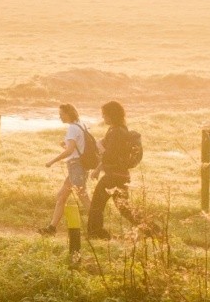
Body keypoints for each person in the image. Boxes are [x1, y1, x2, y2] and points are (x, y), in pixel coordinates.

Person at [88, 100, 138, 238]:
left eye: (104, 115)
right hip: (122, 175)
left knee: (97, 205)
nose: (103, 117)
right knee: (124, 208)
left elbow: (109, 155)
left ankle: (96, 233)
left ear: (111, 115)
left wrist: (99, 151)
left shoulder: (115, 132)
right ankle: (150, 229)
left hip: (112, 176)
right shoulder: (122, 130)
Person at [39, 103, 88, 236]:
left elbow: (70, 150)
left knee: (83, 196)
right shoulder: (81, 125)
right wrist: (66, 146)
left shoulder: (72, 128)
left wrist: (52, 161)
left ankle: (96, 227)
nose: (60, 117)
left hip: (76, 166)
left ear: (68, 114)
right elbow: (76, 147)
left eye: (61, 114)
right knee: (61, 196)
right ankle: (51, 228)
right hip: (77, 166)